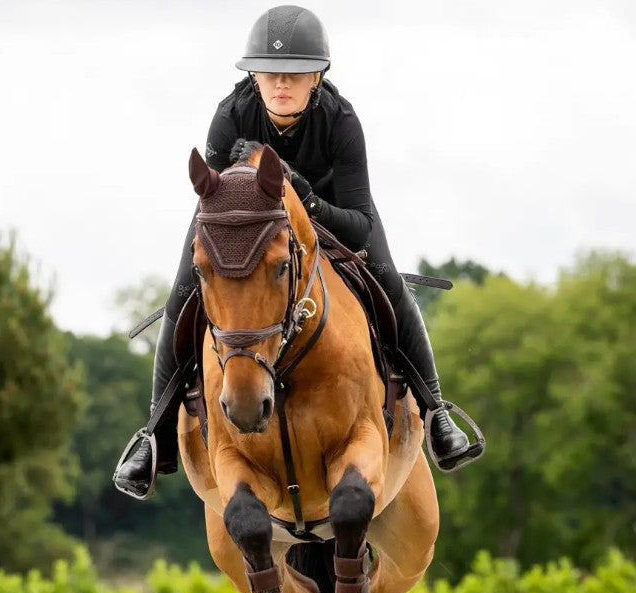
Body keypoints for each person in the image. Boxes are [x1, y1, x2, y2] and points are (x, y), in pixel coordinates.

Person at [114, 4, 481, 499]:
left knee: (390, 282)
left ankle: (436, 412)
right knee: (183, 293)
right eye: (269, 74)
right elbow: (217, 199)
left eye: (294, 74)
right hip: (243, 218)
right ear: (254, 77)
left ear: (317, 77)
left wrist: (307, 201)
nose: (280, 84)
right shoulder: (230, 115)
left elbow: (358, 224)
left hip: (331, 209)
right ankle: (153, 435)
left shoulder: (342, 120)